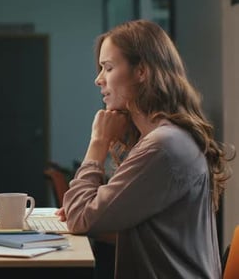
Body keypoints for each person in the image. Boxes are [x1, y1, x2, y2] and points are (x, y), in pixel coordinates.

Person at [56, 19, 235, 279]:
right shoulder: (165, 138)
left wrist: (98, 142)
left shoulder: (163, 145)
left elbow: (82, 218)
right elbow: (87, 213)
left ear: (141, 71)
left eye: (108, 68)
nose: (98, 80)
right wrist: (92, 206)